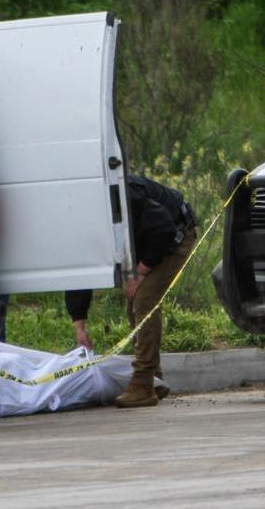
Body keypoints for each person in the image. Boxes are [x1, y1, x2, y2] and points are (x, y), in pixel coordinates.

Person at [112, 175, 197, 408]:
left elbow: (163, 230)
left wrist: (139, 273)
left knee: (144, 302)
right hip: (151, 239)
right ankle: (155, 379)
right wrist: (80, 324)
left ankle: (143, 384)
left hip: (175, 235)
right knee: (134, 303)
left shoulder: (122, 195)